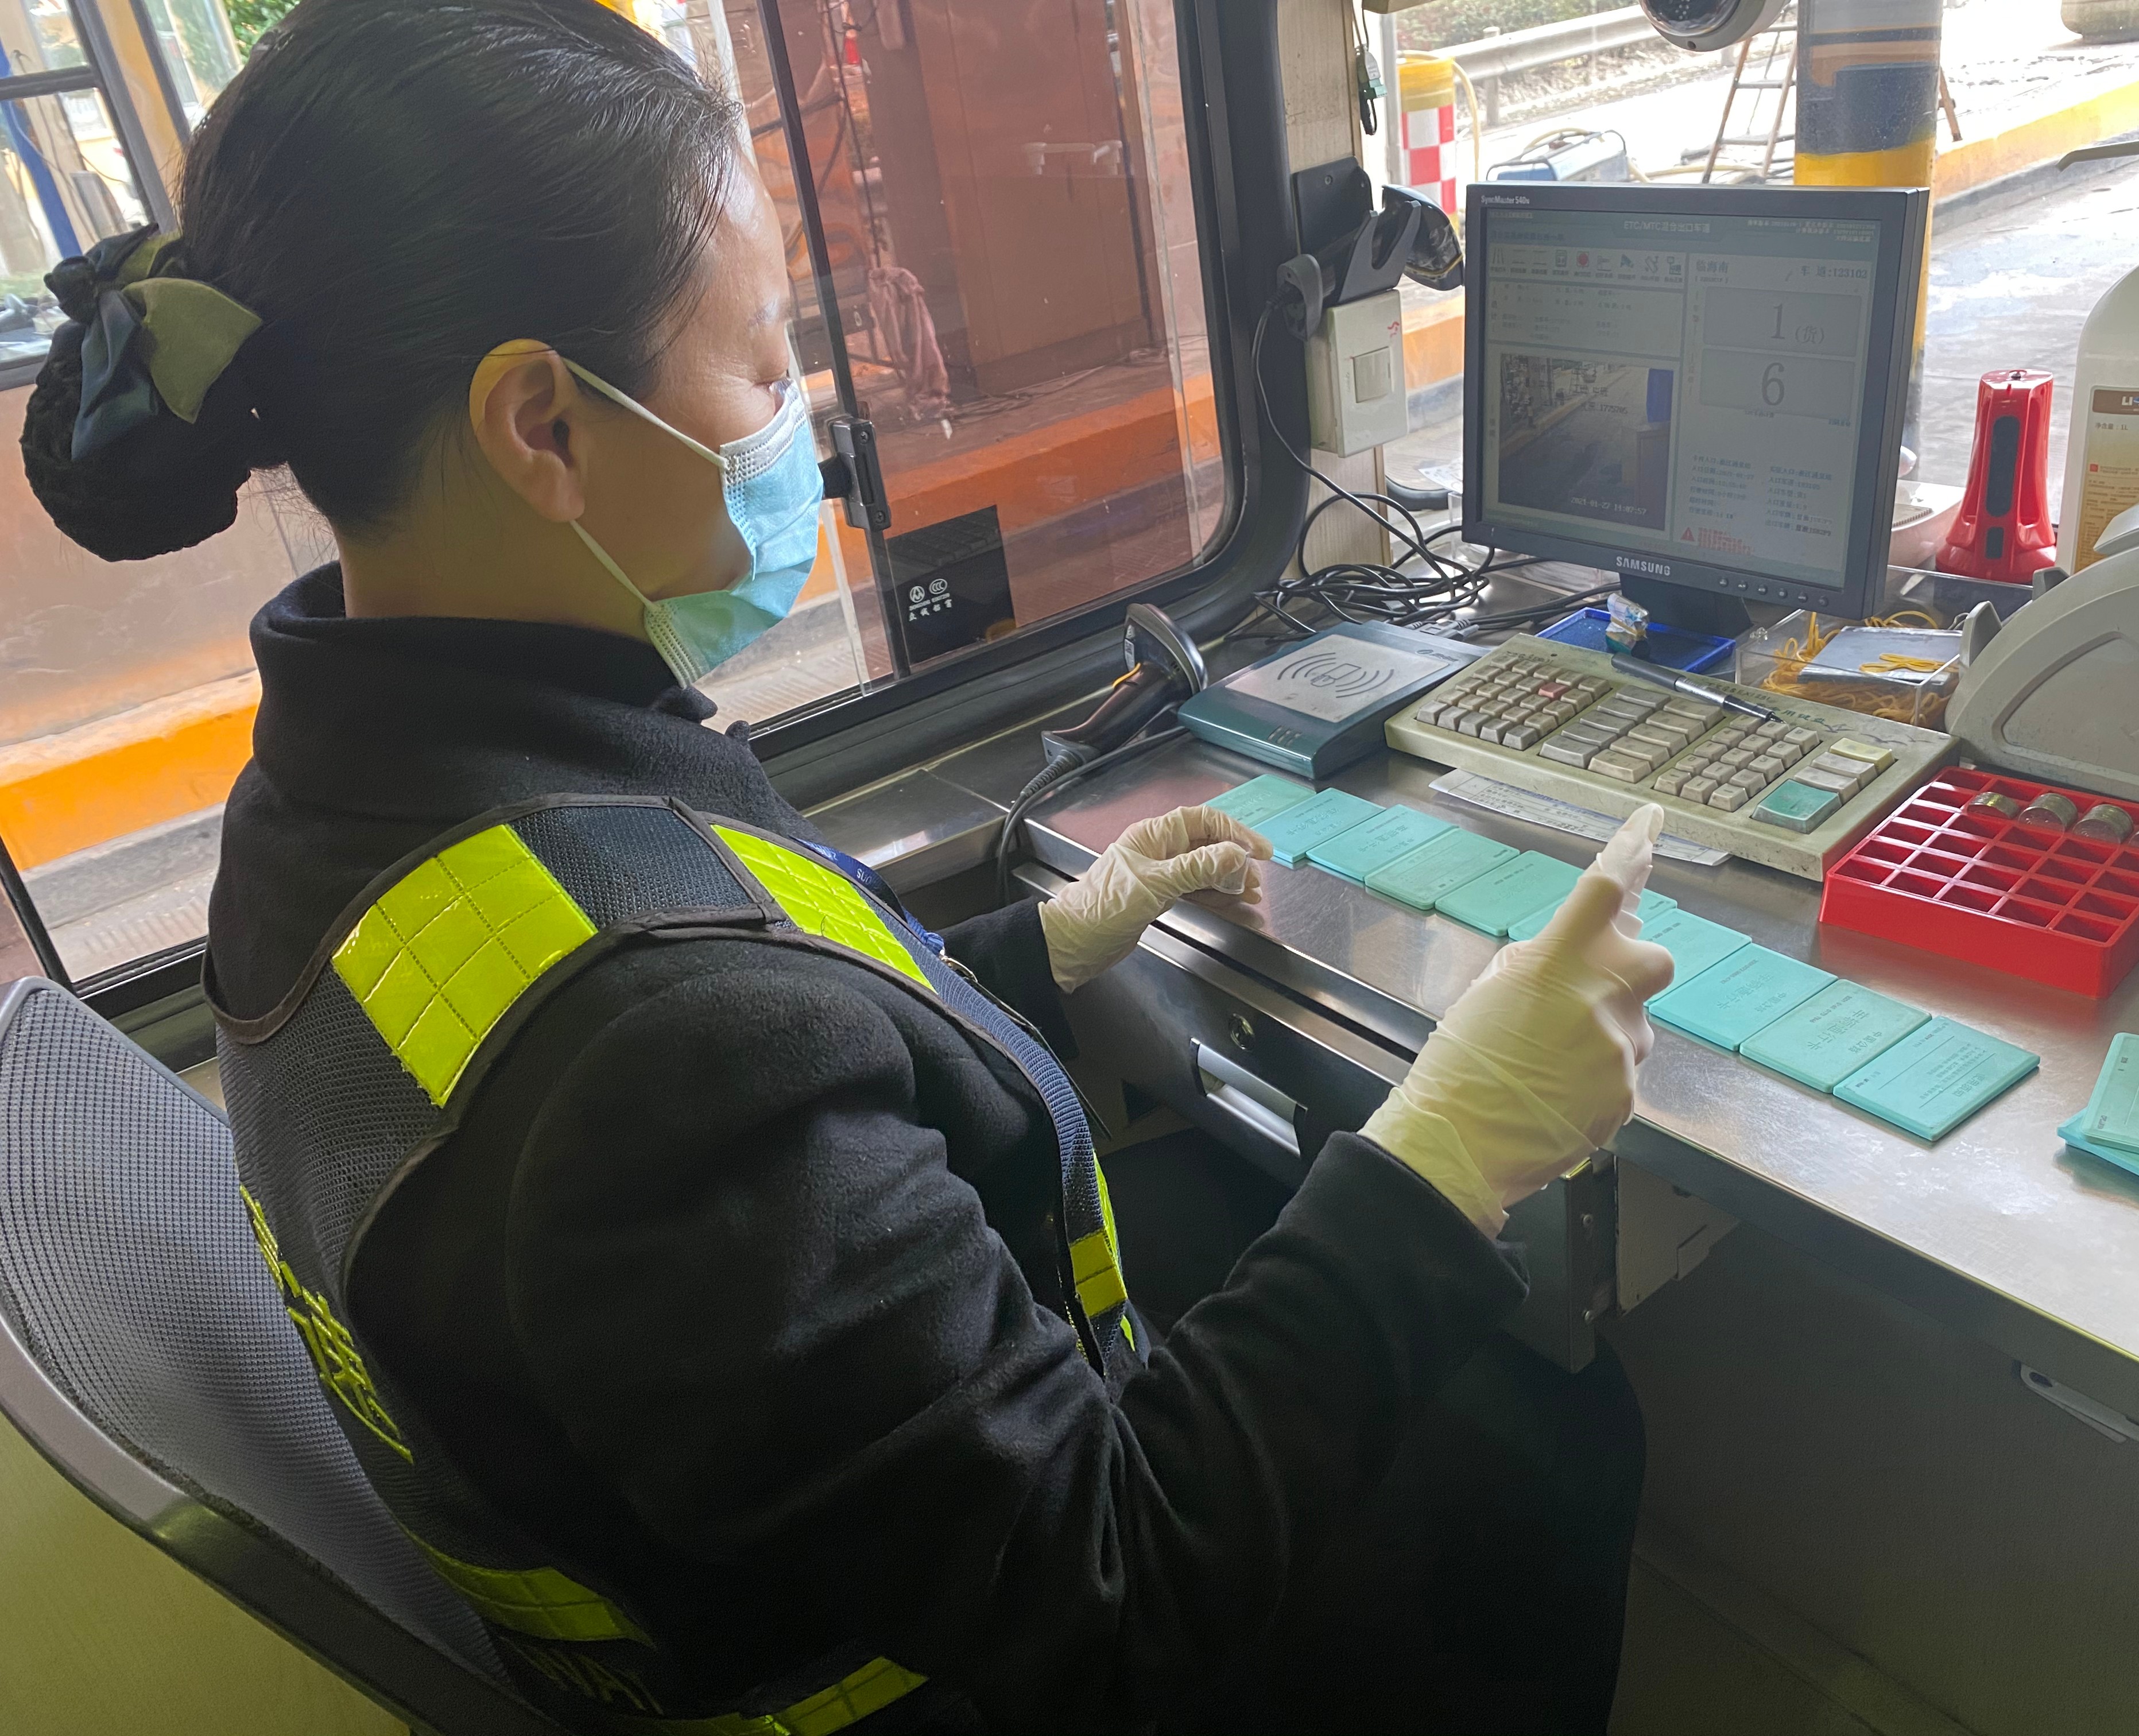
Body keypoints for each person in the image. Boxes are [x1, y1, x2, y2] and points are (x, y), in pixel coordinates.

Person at [20, 3, 1675, 1731]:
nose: (794, 422)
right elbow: (1117, 1596)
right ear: (543, 427)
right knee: (1537, 1427)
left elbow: (747, 1069)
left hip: (761, 1520)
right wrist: (1456, 1143)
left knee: (1240, 1204)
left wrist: (1027, 960)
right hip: (944, 1669)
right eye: (761, 364)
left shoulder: (345, 797)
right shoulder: (649, 1069)